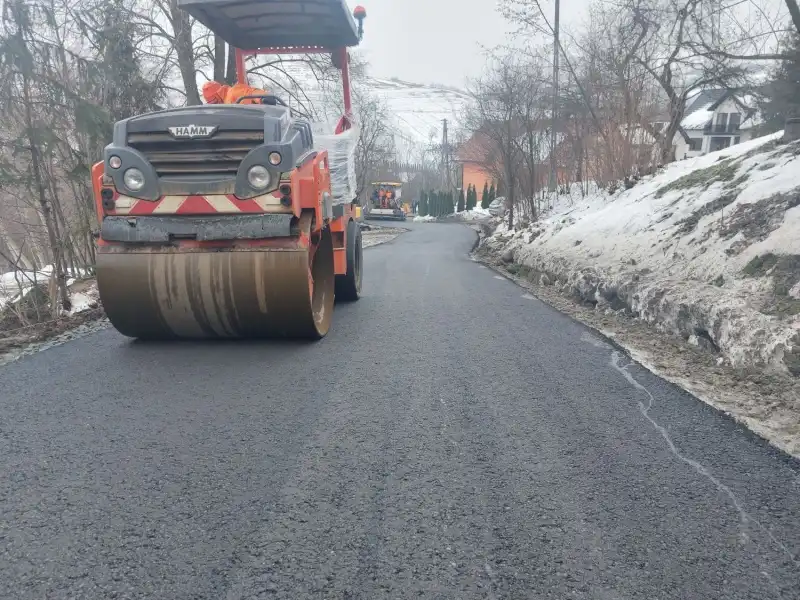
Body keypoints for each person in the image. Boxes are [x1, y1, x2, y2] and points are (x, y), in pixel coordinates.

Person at [202, 81, 269, 105]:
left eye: (214, 101)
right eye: (211, 104)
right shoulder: (223, 105)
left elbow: (251, 92)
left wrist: (263, 98)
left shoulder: (233, 92)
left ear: (218, 94)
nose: (215, 105)